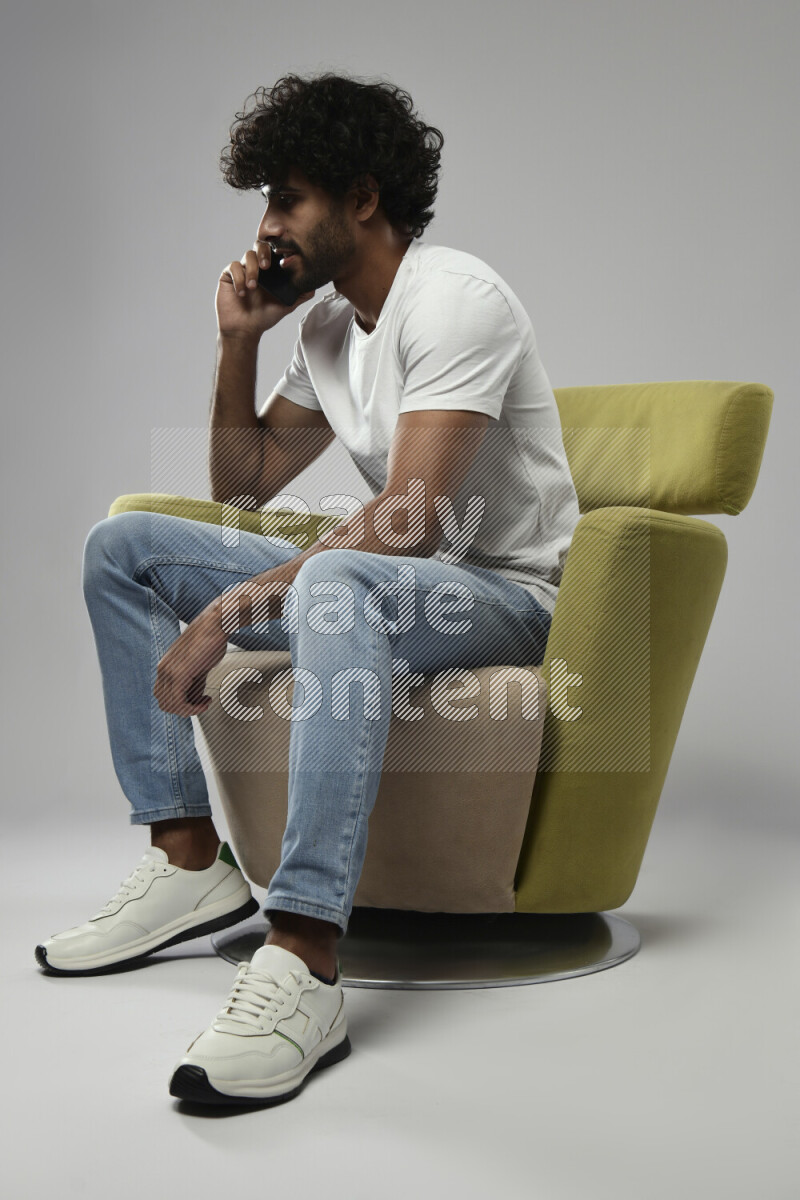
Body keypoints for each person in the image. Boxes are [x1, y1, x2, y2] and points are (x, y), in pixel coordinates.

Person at [35, 72, 580, 1107]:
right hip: (392, 579)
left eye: (287, 198)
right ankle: (191, 858)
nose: (269, 227)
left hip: (499, 596)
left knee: (334, 578)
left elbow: (417, 518)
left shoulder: (453, 298)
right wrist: (237, 337)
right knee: (125, 547)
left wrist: (223, 614)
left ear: (362, 198)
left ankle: (304, 952)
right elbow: (238, 490)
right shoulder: (327, 329)